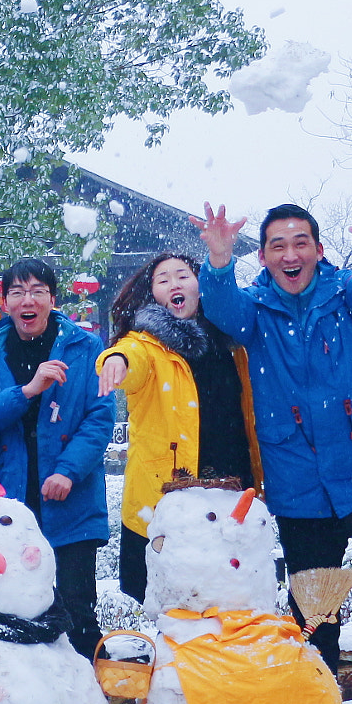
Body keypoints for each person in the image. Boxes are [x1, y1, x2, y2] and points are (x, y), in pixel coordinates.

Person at [195, 184, 352, 704]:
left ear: (319, 250)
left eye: (301, 242)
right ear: (262, 257)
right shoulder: (255, 312)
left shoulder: (347, 296)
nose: (290, 254)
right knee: (316, 615)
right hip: (300, 486)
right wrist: (217, 261)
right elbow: (220, 308)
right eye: (277, 245)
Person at [0, 256, 114, 655]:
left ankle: (92, 701)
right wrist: (28, 390)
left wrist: (67, 471)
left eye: (37, 291)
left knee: (77, 611)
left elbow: (100, 417)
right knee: (19, 608)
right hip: (12, 499)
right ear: (4, 301)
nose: (27, 300)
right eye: (17, 292)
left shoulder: (85, 347)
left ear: (53, 299)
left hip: (72, 498)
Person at [94, 251, 262, 602]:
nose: (175, 284)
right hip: (171, 488)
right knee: (174, 598)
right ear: (151, 293)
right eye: (163, 279)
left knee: (231, 592)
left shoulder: (231, 340)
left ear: (201, 285)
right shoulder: (146, 342)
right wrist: (116, 360)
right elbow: (130, 356)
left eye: (183, 275)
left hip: (230, 481)